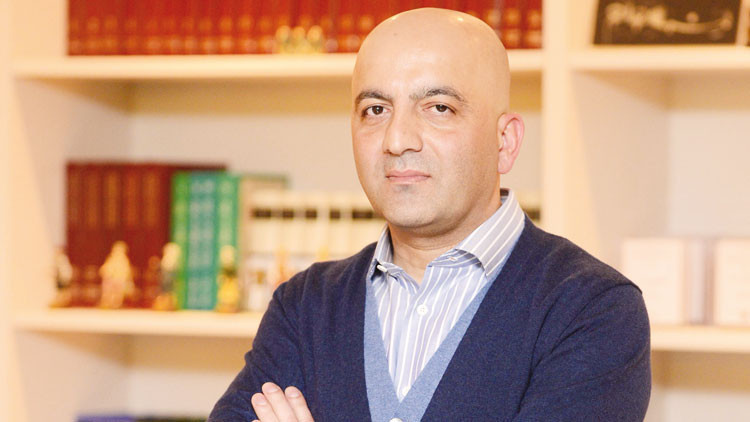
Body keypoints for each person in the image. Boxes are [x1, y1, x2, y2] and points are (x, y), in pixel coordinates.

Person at [209, 8, 650, 422]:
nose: (397, 140)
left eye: (439, 107)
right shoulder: (305, 306)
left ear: (505, 142)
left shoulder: (593, 309)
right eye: (375, 110)